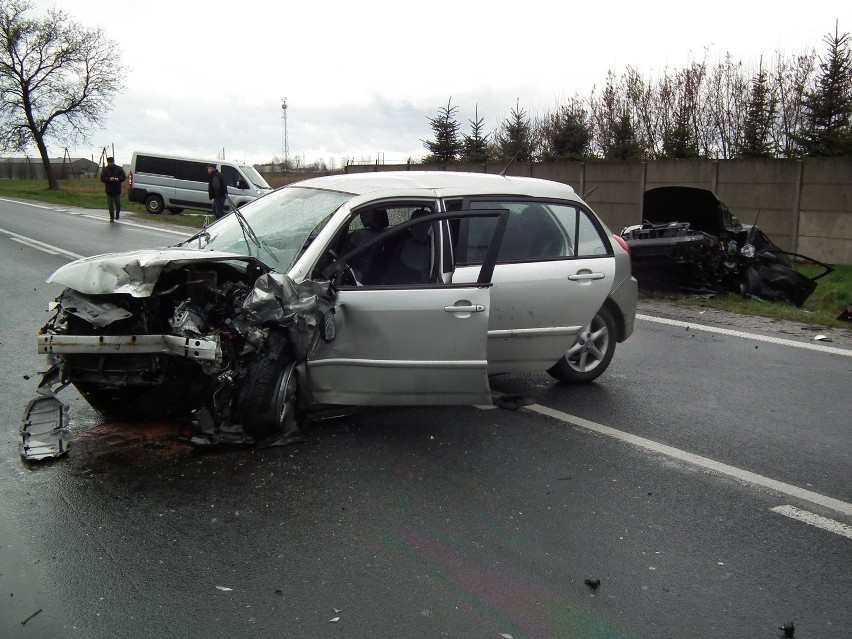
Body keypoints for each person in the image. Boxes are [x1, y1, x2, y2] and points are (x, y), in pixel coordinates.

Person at [100, 157, 126, 222]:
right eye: (110, 162)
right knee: (110, 204)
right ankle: (111, 217)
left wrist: (118, 179)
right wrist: (109, 179)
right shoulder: (105, 169)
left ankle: (117, 213)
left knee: (118, 203)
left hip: (117, 189)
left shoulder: (119, 168)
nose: (111, 163)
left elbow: (123, 177)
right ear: (108, 162)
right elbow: (102, 178)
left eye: (112, 162)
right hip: (109, 190)